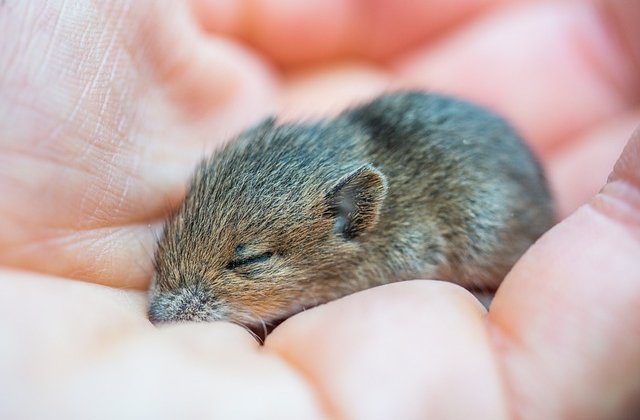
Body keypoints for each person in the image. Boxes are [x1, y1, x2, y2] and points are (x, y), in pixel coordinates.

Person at [0, 0, 638, 418]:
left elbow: (413, 252)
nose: (170, 302)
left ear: (348, 219)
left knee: (480, 227)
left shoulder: (368, 226)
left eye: (245, 261)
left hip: (483, 179)